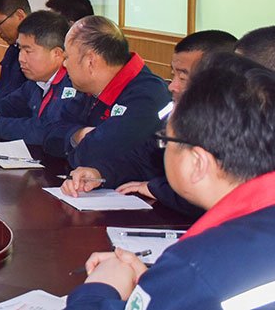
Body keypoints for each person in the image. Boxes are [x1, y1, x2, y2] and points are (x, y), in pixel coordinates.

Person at [64, 54, 275, 310]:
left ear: (197, 163)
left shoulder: (196, 267)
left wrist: (100, 287)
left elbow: (203, 285)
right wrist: (156, 287)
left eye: (166, 140)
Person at [59, 30, 239, 216]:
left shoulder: (241, 128)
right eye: (173, 75)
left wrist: (157, 188)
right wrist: (99, 173)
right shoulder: (182, 114)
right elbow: (145, 158)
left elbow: (214, 194)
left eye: (183, 78)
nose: (172, 86)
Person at [42, 16, 171, 168]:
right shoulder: (88, 87)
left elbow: (97, 157)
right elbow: (50, 134)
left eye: (68, 57)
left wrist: (75, 141)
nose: (64, 64)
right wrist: (80, 135)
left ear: (90, 61)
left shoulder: (147, 97)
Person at [0, 10, 81, 144]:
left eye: (28, 51)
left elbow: (47, 130)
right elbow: (10, 104)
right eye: (20, 49)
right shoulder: (35, 82)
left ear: (57, 53)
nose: (21, 58)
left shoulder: (74, 84)